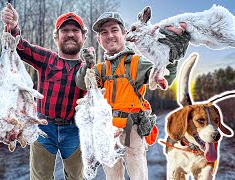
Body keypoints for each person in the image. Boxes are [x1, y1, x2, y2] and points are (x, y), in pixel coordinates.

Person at [75, 12, 190, 180]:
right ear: (99, 40)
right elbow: (82, 83)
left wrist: (171, 55)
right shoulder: (99, 69)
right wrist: (87, 66)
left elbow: (165, 77)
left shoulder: (138, 63)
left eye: (114, 30)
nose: (110, 35)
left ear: (124, 34)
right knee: (112, 176)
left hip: (132, 127)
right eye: (104, 33)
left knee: (138, 175)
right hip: (107, 129)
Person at [1, 3, 91, 179]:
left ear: (84, 37)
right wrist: (13, 28)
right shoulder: (48, 59)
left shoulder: (89, 69)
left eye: (75, 30)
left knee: (77, 177)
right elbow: (22, 48)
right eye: (64, 31)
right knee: (40, 177)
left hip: (75, 130)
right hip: (43, 128)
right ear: (56, 37)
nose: (70, 34)